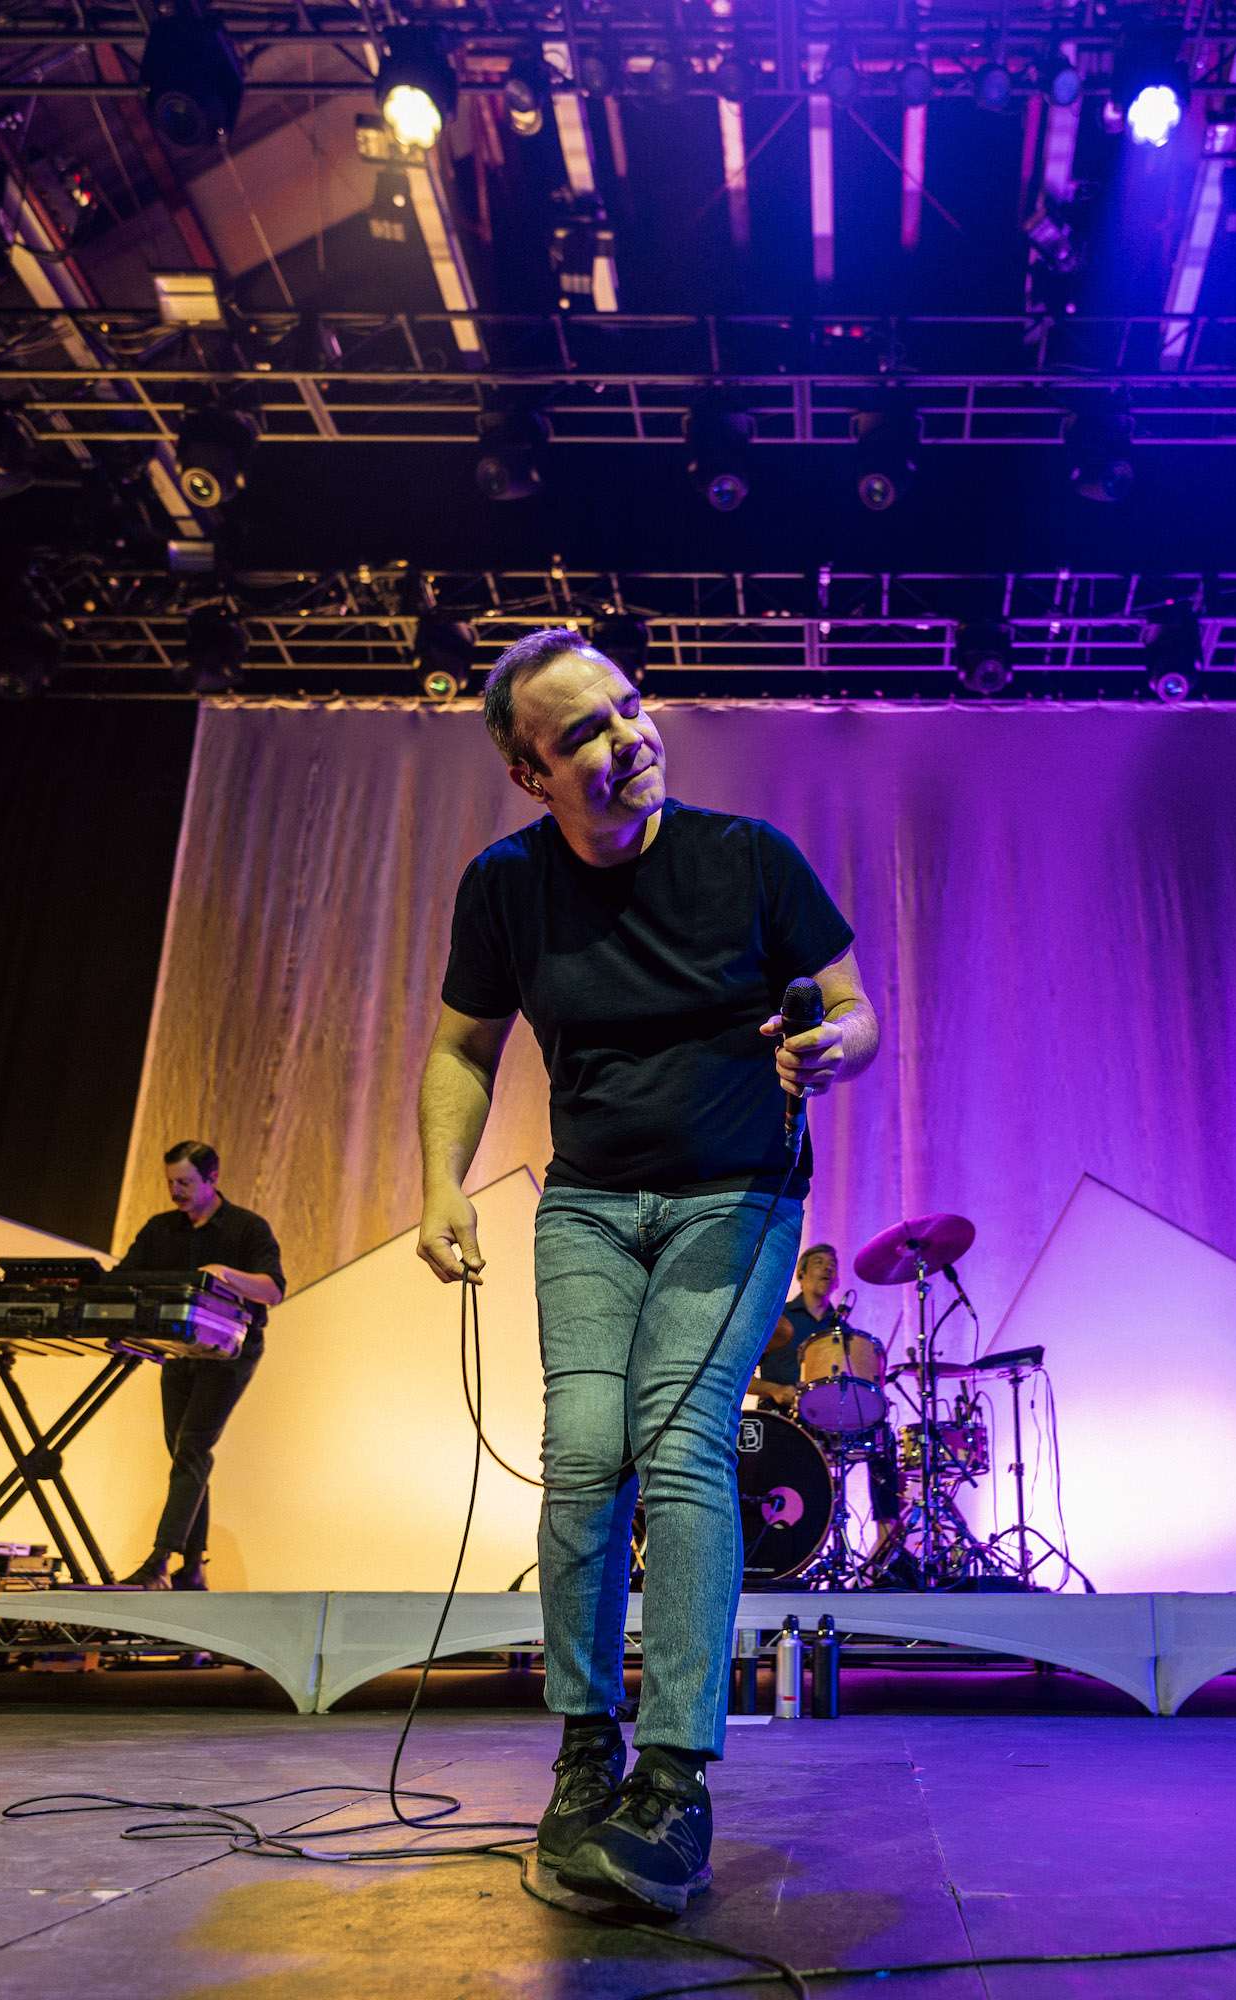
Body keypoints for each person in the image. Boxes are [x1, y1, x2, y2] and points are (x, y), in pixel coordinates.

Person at [416, 628, 879, 1915]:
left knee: (678, 1445)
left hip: (737, 1195)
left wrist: (833, 1046)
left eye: (629, 706)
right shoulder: (505, 885)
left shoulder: (747, 858)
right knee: (581, 1452)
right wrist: (440, 1180)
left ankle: (674, 1774)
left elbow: (855, 1007)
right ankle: (584, 1752)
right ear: (530, 773)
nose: (628, 738)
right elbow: (462, 1048)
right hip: (587, 1206)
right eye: (586, 731)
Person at [115, 1141, 285, 1590]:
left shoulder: (247, 1228)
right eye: (171, 1182)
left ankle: (160, 1561)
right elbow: (124, 1279)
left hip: (230, 1351)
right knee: (183, 1451)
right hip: (177, 1350)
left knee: (192, 1445)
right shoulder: (161, 1229)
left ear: (212, 1179)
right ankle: (192, 1567)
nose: (176, 1191)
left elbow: (272, 1290)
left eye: (185, 1182)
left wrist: (224, 1274)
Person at [746, 1242, 902, 1563]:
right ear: (801, 1274)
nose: (828, 1267)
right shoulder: (777, 1319)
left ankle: (886, 1542)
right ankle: (773, 1551)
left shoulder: (843, 1331)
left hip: (830, 1422)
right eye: (819, 1262)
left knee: (882, 1436)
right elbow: (739, 1377)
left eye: (833, 1264)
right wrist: (774, 1389)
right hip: (783, 1419)